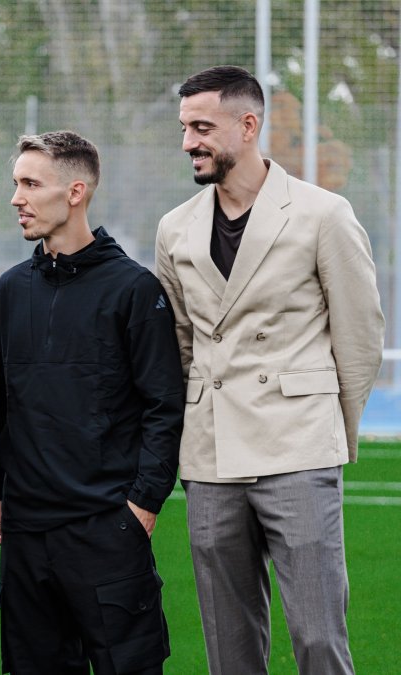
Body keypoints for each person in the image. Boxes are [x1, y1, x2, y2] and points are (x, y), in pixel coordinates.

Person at [155, 65, 385, 674]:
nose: (188, 143)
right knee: (228, 650)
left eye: (202, 127)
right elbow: (177, 343)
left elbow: (360, 338)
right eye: (184, 128)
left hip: (299, 450)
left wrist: (328, 431)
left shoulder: (323, 214)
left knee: (318, 640)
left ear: (248, 125)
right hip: (211, 456)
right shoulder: (174, 228)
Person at [0, 131, 182, 674]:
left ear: (75, 192)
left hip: (107, 529)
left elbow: (165, 405)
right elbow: (2, 400)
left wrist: (143, 505)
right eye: (14, 183)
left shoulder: (134, 290)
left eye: (29, 184)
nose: (16, 198)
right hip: (24, 533)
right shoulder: (10, 288)